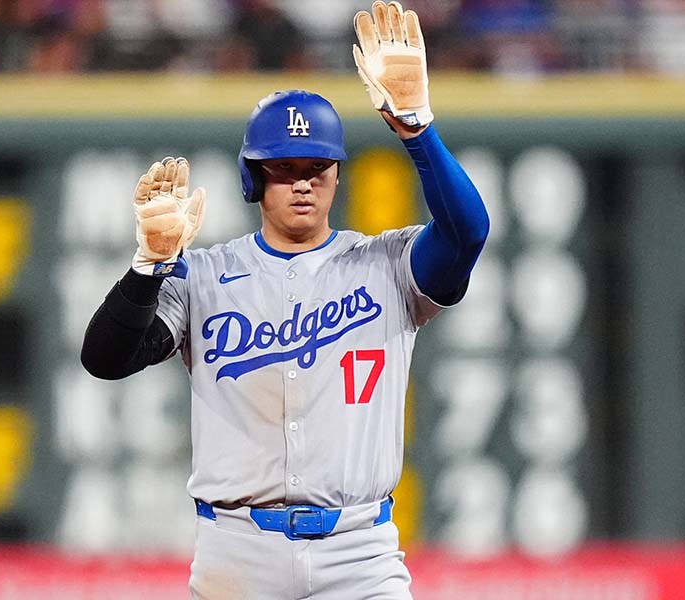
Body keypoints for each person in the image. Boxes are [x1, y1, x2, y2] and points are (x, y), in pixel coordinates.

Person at [81, 2, 489, 598]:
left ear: (337, 174)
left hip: (359, 552)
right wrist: (146, 269)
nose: (302, 181)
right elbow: (106, 358)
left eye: (317, 166)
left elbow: (467, 233)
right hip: (236, 551)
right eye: (283, 167)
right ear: (253, 178)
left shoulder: (387, 265)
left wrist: (418, 130)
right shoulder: (204, 275)